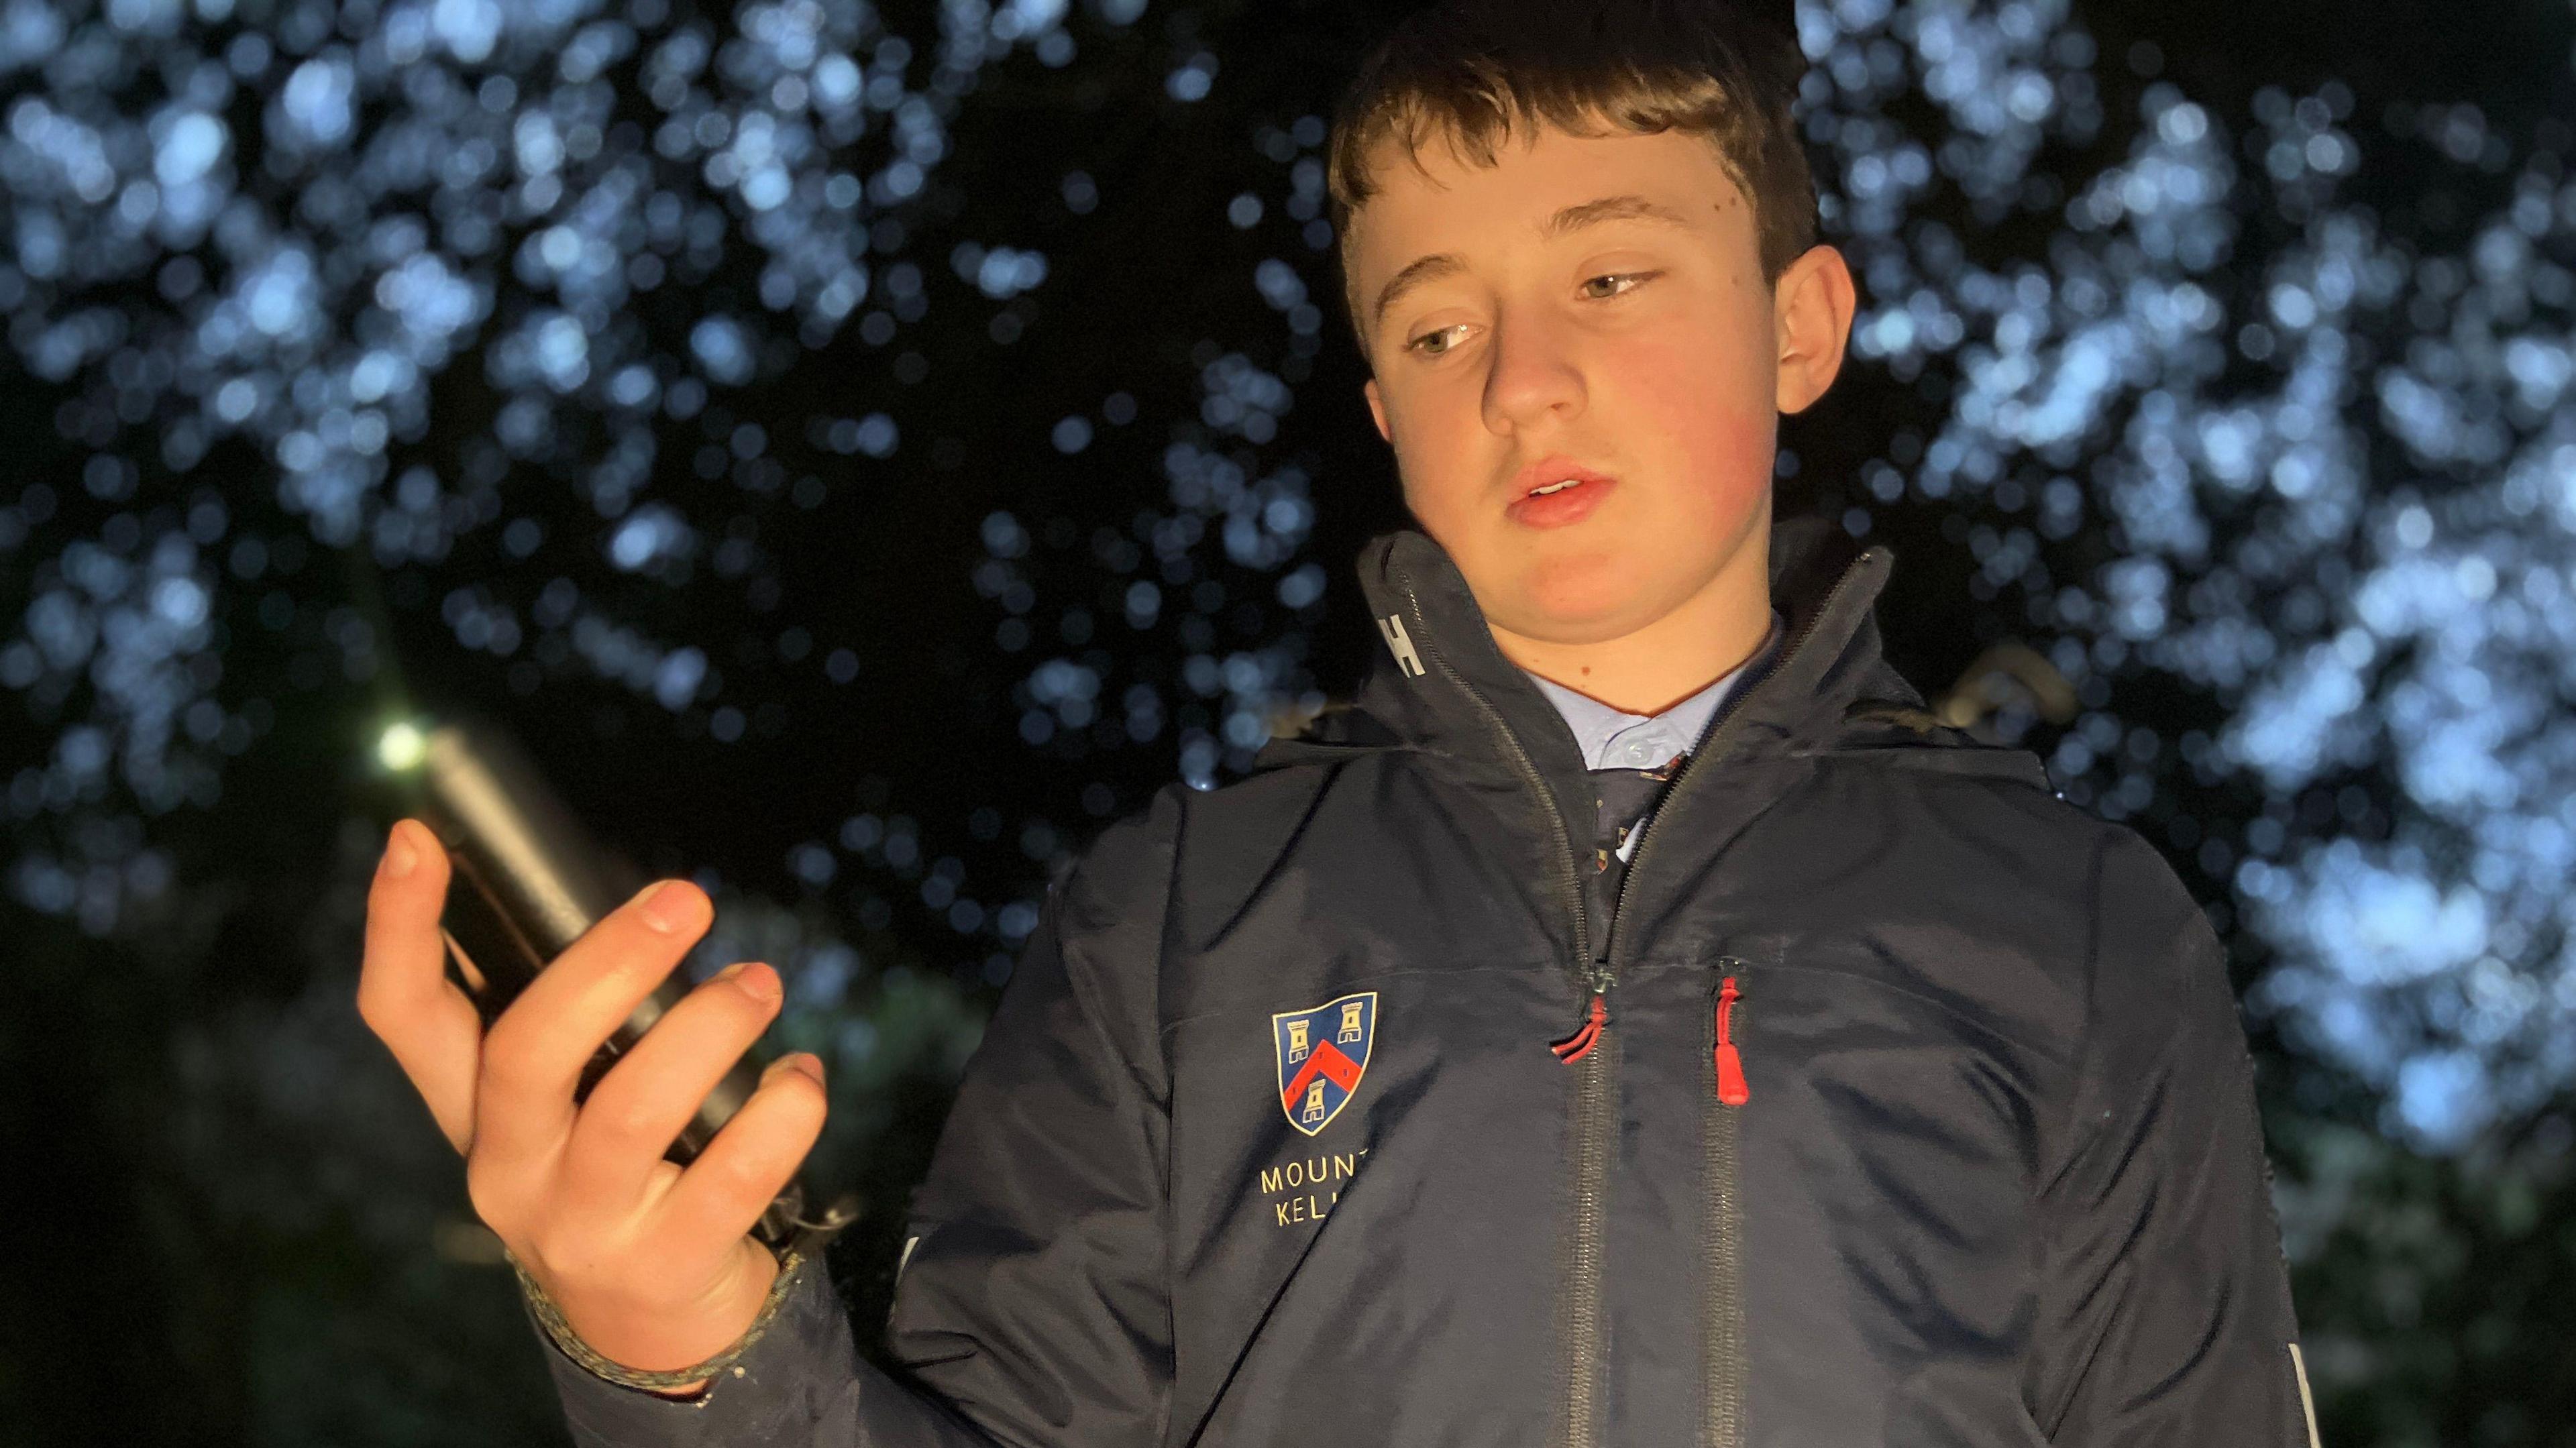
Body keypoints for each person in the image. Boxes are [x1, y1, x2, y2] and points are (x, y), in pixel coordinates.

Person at [358, 1, 2322, 1442]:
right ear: (1381, 405)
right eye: (1437, 324)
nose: (1525, 384)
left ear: (1802, 323)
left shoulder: (2077, 927)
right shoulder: (1179, 924)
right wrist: (675, 1346)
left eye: (1614, 274)